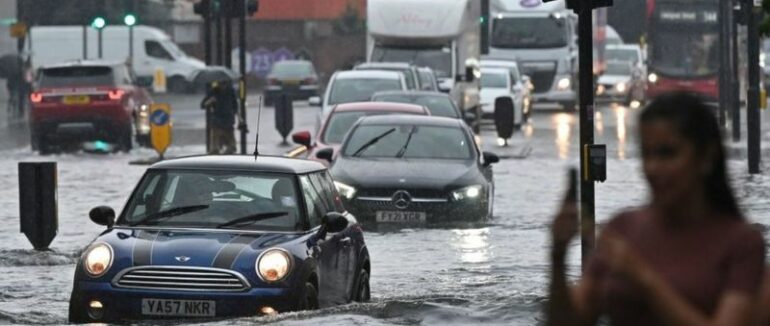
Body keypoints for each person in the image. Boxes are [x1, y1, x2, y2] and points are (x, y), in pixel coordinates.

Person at [548, 92, 766, 325]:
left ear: (706, 156)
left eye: (667, 154)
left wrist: (643, 278)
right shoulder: (622, 229)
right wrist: (558, 255)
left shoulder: (741, 244)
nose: (653, 168)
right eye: (646, 154)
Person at [201, 79, 238, 154]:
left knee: (231, 143)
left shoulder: (231, 91)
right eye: (220, 84)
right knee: (215, 139)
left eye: (224, 84)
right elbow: (202, 105)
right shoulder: (214, 91)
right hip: (217, 118)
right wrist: (210, 101)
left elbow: (235, 106)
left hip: (228, 118)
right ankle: (215, 149)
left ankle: (228, 148)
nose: (222, 86)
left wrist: (234, 114)